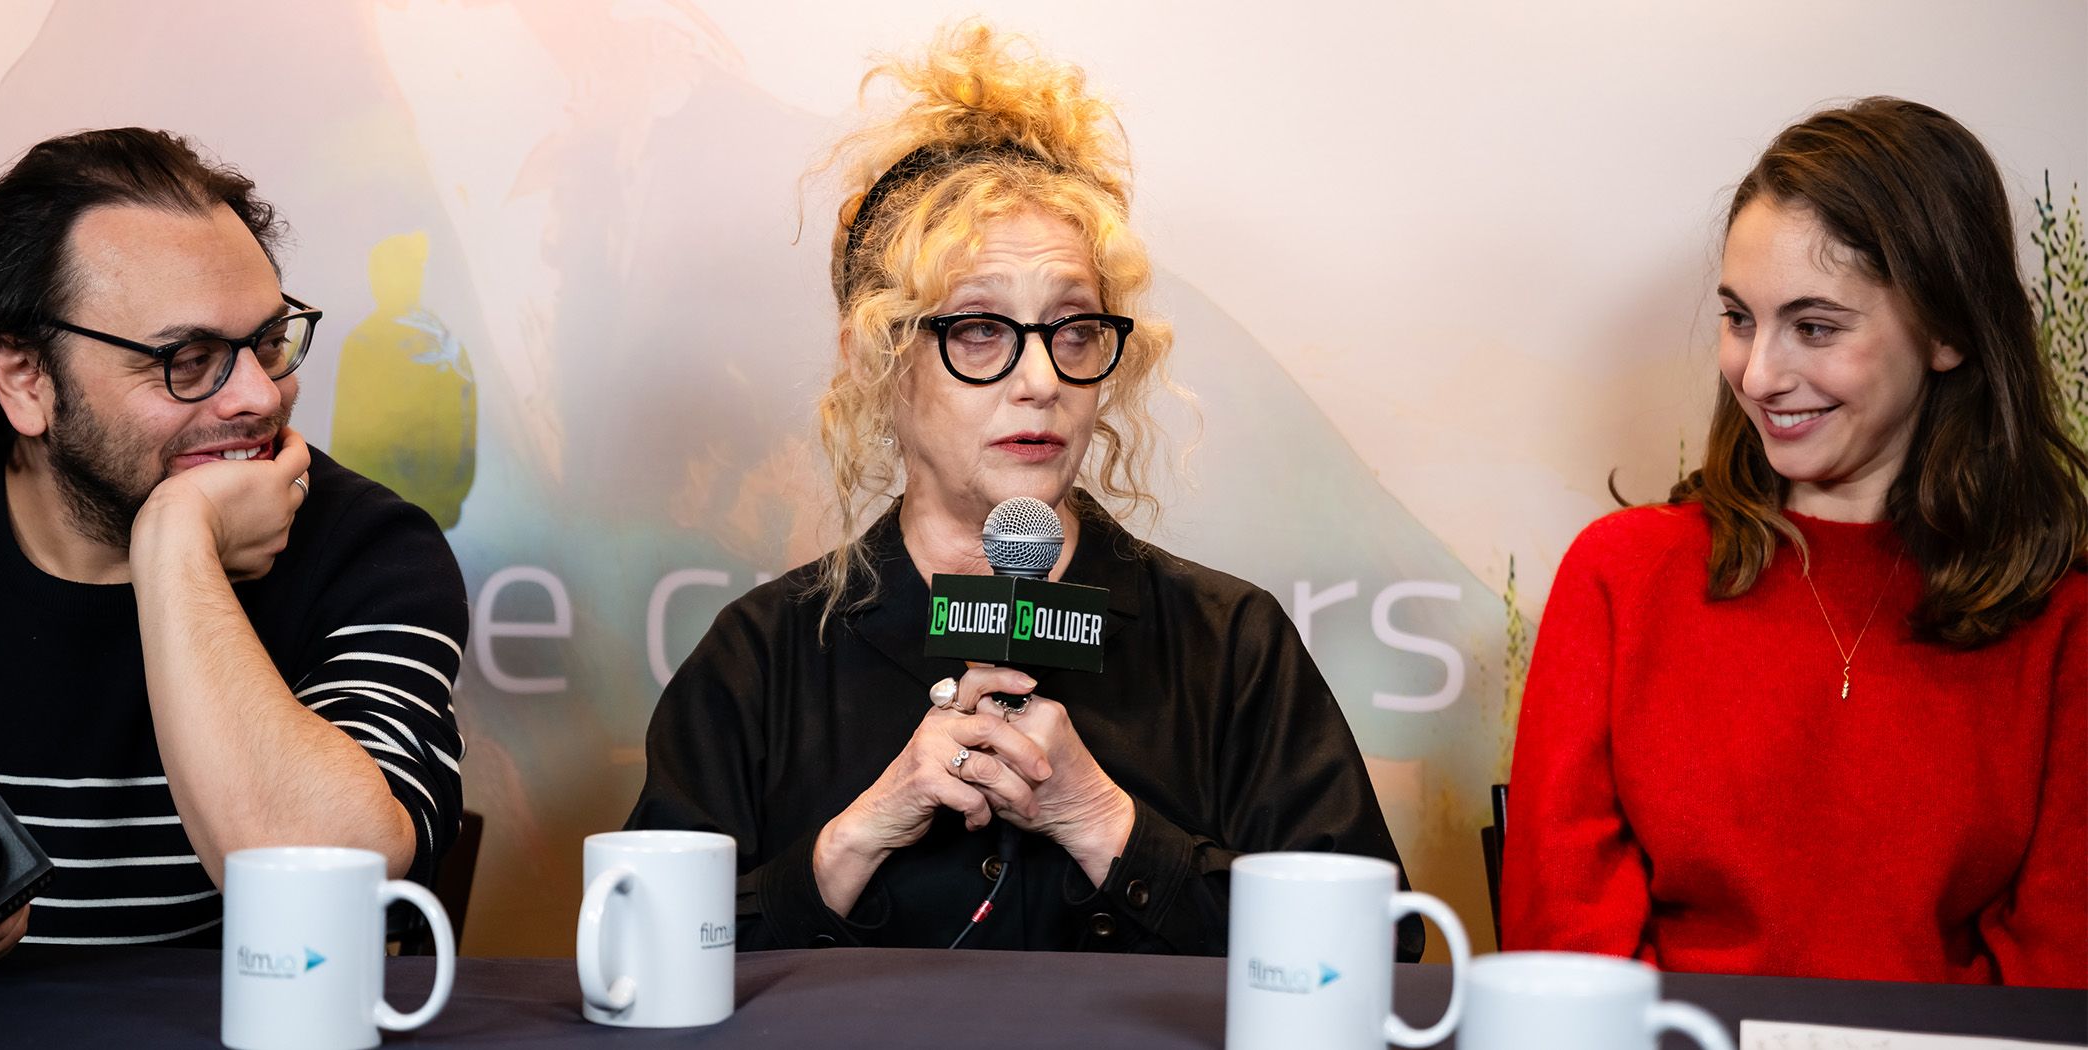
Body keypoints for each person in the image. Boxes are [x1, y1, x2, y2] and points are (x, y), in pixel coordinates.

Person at [628, 25, 1415, 955]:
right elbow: (639, 961)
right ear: (877, 360)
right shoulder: (762, 659)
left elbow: (1375, 955)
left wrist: (1108, 827)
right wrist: (855, 839)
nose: (1039, 379)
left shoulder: (1229, 645)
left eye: (1074, 330)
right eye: (979, 330)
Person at [1502, 99, 2086, 987]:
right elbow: (1565, 955)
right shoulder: (1622, 575)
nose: (1760, 373)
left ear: (1948, 331)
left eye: (1815, 327)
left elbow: (2060, 976)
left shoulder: (2062, 621)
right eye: (1739, 317)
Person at [0, 129, 467, 952]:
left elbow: (331, 878)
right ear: (27, 380)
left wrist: (176, 538)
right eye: (188, 359)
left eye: (270, 342)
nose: (257, 394)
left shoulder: (370, 549)